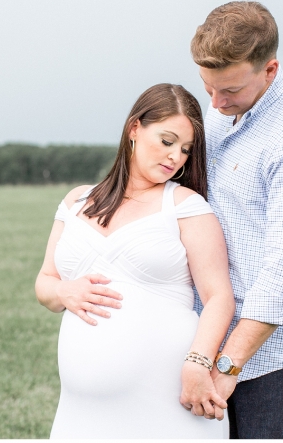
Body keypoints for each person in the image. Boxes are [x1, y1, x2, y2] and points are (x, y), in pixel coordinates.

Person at [35, 83, 235, 439]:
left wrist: (198, 363)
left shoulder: (185, 206)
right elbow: (45, 283)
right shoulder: (77, 201)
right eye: (167, 140)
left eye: (186, 150)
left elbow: (219, 297)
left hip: (166, 401)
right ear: (134, 129)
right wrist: (65, 292)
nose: (176, 157)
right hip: (80, 411)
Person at [189, 1, 283, 439]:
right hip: (207, 342)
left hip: (274, 360)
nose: (215, 103)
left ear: (270, 70)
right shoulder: (219, 120)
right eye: (208, 87)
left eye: (230, 90)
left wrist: (226, 365)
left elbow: (281, 278)